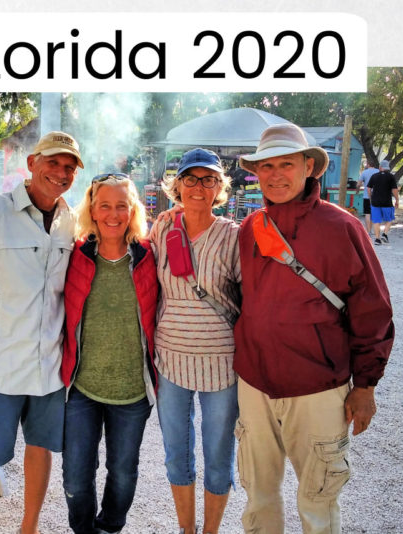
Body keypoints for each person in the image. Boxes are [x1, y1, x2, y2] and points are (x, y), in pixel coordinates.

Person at [234, 123, 394, 533]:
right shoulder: (251, 228)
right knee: (258, 497)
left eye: (286, 164)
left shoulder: (342, 227)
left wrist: (366, 386)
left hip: (319, 387)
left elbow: (372, 311)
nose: (274, 175)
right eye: (265, 166)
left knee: (318, 501)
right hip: (255, 384)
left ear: (310, 167)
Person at [0, 130, 83, 534]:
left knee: (41, 450)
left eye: (69, 166)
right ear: (32, 164)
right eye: (53, 162)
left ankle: (30, 527)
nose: (60, 172)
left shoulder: (71, 221)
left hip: (49, 366)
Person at [60, 174, 158, 534]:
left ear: (132, 210)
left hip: (133, 391)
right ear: (93, 210)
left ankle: (111, 526)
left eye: (121, 205)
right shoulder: (76, 254)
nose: (113, 213)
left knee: (122, 471)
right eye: (105, 205)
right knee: (75, 473)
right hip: (82, 388)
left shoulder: (149, 257)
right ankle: (83, 529)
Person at [150, 148, 241, 534]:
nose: (198, 187)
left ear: (220, 187)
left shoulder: (233, 236)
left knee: (219, 455)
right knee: (176, 454)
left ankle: (211, 531)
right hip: (170, 359)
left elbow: (251, 297)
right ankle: (187, 530)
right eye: (190, 179)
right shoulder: (162, 229)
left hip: (221, 362)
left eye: (208, 179)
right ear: (178, 186)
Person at [368, 159, 399, 245]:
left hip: (375, 203)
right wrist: (397, 200)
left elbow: (368, 188)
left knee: (376, 221)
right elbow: (394, 190)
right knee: (389, 219)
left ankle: (377, 239)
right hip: (387, 203)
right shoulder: (391, 177)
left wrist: (371, 198)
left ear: (380, 167)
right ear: (387, 168)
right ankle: (384, 234)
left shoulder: (374, 176)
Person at [358, 160, 378, 233]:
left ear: (368, 164)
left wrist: (357, 190)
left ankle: (368, 231)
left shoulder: (364, 172)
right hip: (376, 196)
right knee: (374, 213)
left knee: (367, 214)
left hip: (366, 196)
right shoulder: (378, 171)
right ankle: (372, 230)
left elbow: (358, 184)